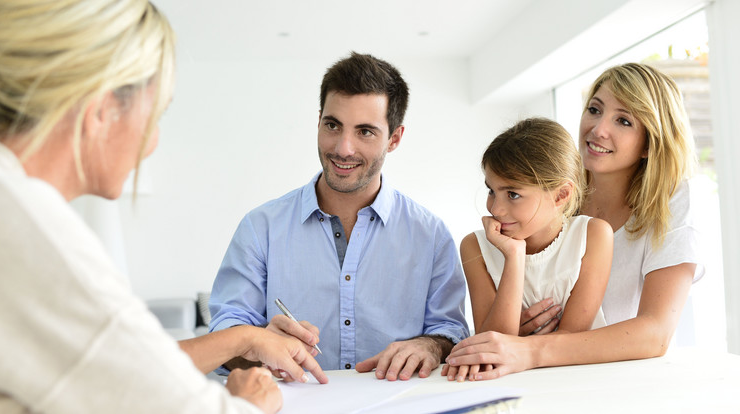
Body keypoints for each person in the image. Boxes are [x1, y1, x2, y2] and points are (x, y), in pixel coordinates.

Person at [0, 1, 325, 413]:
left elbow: (121, 363)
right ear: (102, 107)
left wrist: (247, 338)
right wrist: (250, 404)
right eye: (156, 116)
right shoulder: (29, 227)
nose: (151, 144)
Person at [208, 51, 469, 381]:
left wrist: (431, 346)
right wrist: (253, 345)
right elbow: (225, 331)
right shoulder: (261, 228)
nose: (344, 148)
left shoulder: (430, 234)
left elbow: (451, 331)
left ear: (395, 138)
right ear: (319, 122)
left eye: (365, 132)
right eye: (333, 125)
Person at [443, 62, 703, 381]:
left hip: (630, 378)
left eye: (623, 120)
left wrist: (531, 348)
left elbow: (655, 334)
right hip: (546, 376)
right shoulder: (550, 189)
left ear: (649, 143)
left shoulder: (670, 199)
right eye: (595, 109)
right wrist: (515, 335)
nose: (598, 129)